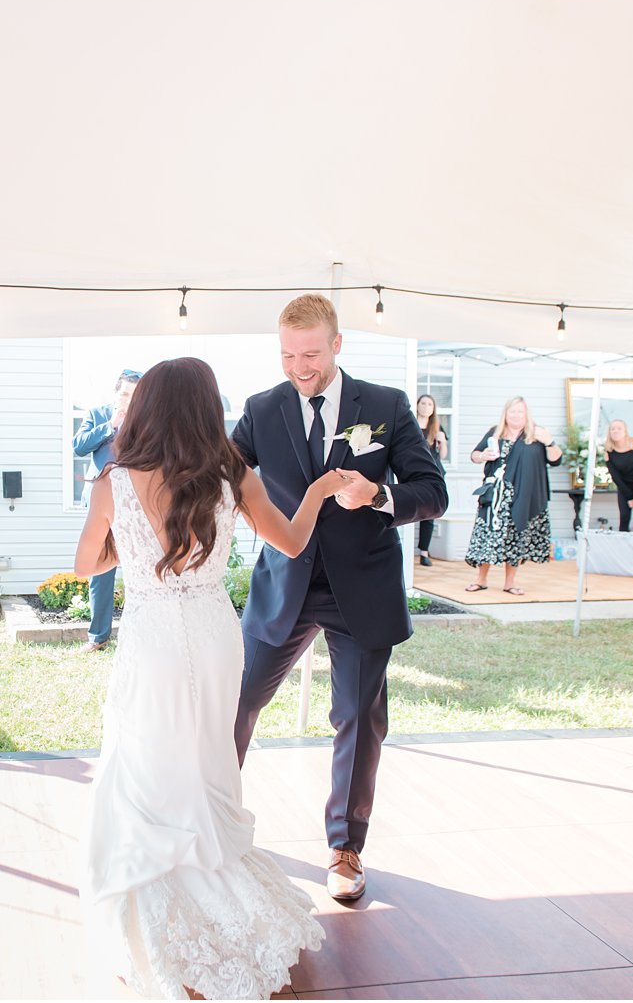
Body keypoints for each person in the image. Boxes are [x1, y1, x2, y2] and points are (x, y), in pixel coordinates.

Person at [75, 357, 340, 998]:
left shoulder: (113, 483)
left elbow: (87, 564)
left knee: (146, 769)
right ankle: (220, 878)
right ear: (205, 409)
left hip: (154, 639)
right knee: (209, 761)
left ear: (147, 410)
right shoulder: (234, 478)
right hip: (217, 635)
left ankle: (155, 909)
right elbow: (294, 543)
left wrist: (132, 550)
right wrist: (318, 492)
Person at [231, 294, 448, 903]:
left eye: (310, 354)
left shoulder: (385, 406)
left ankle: (345, 846)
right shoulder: (261, 409)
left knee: (358, 717)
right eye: (287, 355)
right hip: (285, 585)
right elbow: (220, 475)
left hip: (362, 588)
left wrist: (378, 495)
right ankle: (213, 822)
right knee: (234, 704)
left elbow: (433, 492)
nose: (299, 367)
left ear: (337, 345)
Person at [70, 368, 142, 652]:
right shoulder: (98, 414)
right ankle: (97, 637)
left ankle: (138, 633)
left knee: (139, 565)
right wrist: (111, 425)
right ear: (116, 392)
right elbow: (79, 446)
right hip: (100, 500)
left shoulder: (145, 419)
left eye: (134, 396)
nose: (128, 400)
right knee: (100, 568)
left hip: (135, 501)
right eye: (124, 393)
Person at [464, 396, 561, 596]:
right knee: (489, 534)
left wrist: (550, 442)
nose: (516, 415)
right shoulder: (495, 433)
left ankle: (510, 582)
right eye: (512, 411)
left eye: (520, 412)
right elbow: (474, 454)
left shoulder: (537, 434)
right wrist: (483, 456)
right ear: (506, 414)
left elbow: (556, 460)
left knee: (516, 537)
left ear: (527, 414)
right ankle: (481, 580)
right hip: (497, 495)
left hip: (525, 495)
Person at [414, 393, 448, 566]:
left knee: (429, 514)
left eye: (429, 404)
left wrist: (442, 442)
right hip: (414, 472)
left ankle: (424, 552)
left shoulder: (437, 428)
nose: (426, 407)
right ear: (417, 405)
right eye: (423, 403)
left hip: (433, 472)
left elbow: (442, 455)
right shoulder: (410, 424)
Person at [603, 419, 633, 532]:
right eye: (613, 429)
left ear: (625, 431)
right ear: (609, 432)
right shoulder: (608, 451)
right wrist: (630, 497)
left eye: (619, 428)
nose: (616, 431)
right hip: (625, 486)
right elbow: (615, 476)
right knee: (624, 517)